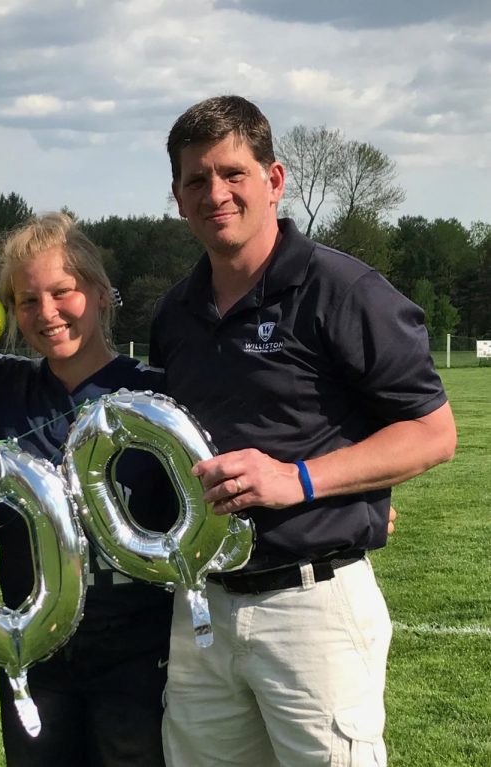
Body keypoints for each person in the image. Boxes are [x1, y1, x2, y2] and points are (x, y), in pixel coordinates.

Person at [151, 95, 457, 767]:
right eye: (196, 179)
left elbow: (433, 432)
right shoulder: (176, 312)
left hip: (310, 603)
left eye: (233, 172)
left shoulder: (341, 288)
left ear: (275, 180)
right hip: (202, 608)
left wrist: (300, 479)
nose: (216, 193)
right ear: (176, 197)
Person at [0, 212, 173, 766]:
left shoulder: (155, 392)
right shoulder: (0, 386)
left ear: (100, 293)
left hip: (138, 653)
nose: (47, 313)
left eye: (62, 292)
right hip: (35, 652)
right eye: (26, 300)